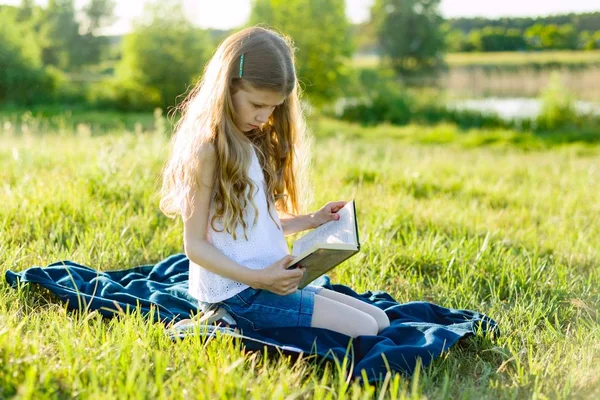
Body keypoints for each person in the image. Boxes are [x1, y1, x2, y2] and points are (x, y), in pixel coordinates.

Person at [159, 26, 389, 338]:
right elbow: (195, 246)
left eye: (273, 107)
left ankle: (233, 315)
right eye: (257, 105)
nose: (265, 116)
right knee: (365, 330)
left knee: (380, 321)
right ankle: (221, 319)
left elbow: (252, 226)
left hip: (268, 281)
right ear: (227, 88)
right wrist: (258, 279)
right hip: (239, 293)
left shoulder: (253, 140)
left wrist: (312, 220)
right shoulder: (207, 150)